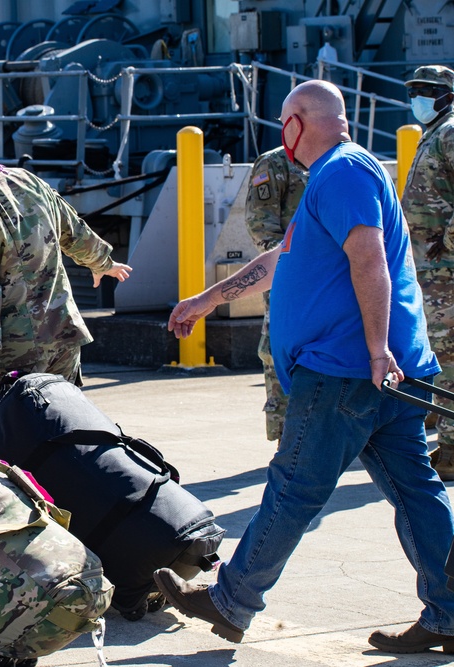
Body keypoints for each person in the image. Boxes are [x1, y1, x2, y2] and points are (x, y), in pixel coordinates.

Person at [154, 80, 454, 654]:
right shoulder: (338, 175)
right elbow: (281, 258)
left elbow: (369, 262)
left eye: (283, 122)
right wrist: (207, 300)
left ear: (297, 123)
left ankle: (229, 601)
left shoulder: (342, 173)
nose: (280, 134)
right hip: (375, 372)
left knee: (293, 489)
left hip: (347, 372)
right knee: (416, 491)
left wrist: (373, 350)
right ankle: (449, 614)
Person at [0, 107, 131, 428]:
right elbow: (73, 231)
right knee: (59, 428)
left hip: (11, 349)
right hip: (61, 339)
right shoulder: (29, 181)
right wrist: (103, 263)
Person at [401, 65, 454, 479]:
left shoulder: (450, 132)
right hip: (430, 269)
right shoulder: (434, 132)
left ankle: (452, 448)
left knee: (450, 354)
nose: (418, 97)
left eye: (426, 90)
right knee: (441, 353)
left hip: (445, 271)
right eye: (414, 90)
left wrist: (446, 244)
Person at [244, 146, 307, 442]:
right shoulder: (275, 163)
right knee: (279, 351)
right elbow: (261, 226)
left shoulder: (337, 158)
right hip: (289, 277)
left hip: (337, 279)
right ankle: (285, 434)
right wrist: (294, 265)